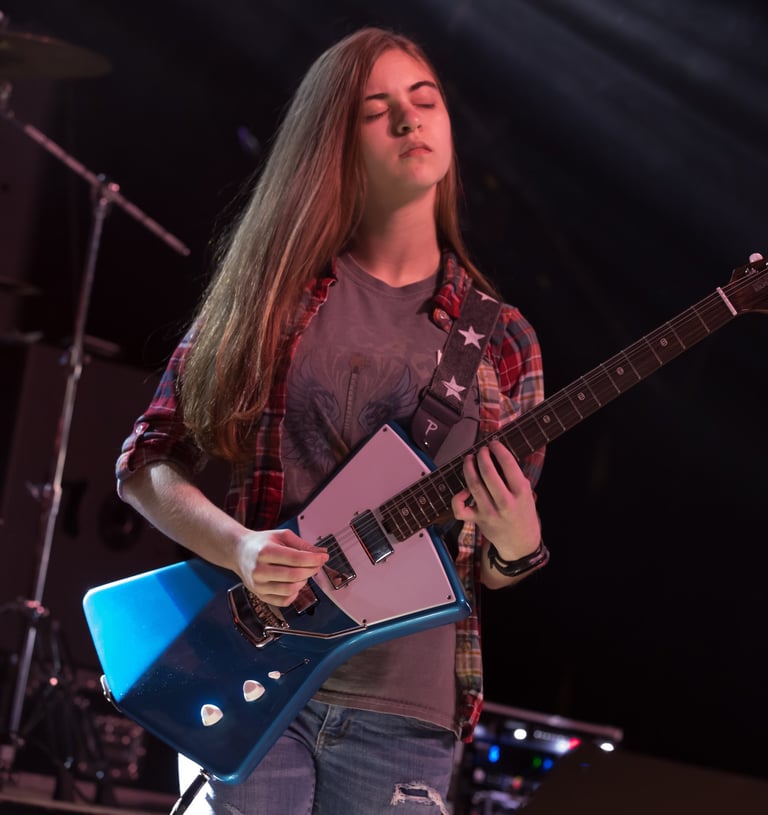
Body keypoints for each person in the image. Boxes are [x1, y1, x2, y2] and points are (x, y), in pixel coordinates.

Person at [116, 26, 547, 814]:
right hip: (252, 679)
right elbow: (146, 460)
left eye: (425, 101)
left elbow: (494, 560)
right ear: (335, 143)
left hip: (407, 714)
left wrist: (519, 543)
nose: (410, 121)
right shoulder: (275, 293)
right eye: (377, 110)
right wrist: (241, 547)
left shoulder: (504, 338)